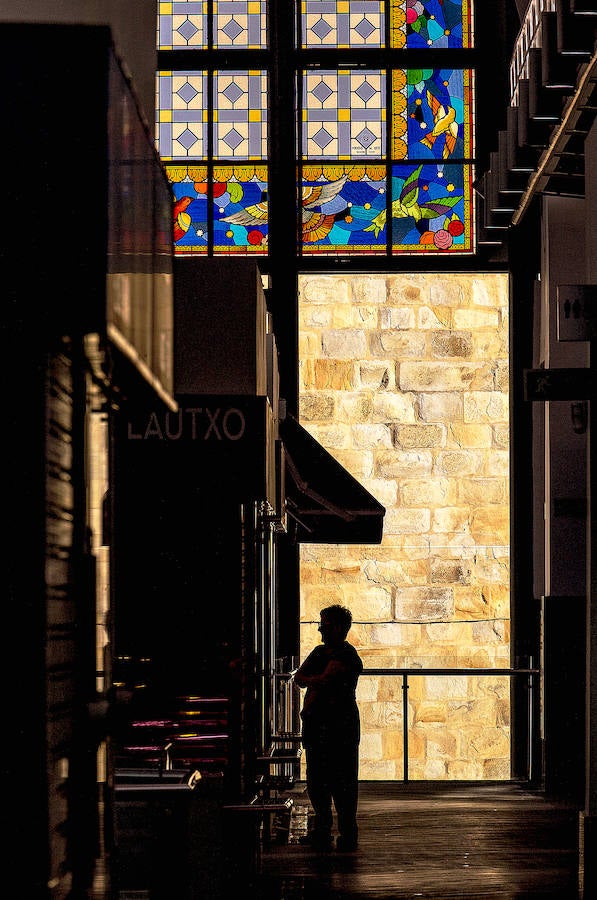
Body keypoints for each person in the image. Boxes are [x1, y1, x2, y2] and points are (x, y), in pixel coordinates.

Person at [294, 604, 363, 852]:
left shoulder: (346, 656)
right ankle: (325, 829)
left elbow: (317, 680)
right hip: (320, 727)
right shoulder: (322, 653)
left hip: (339, 728)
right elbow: (302, 678)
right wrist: (318, 681)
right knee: (317, 780)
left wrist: (316, 682)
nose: (321, 629)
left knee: (342, 781)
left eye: (324, 624)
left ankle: (345, 831)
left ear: (337, 627)